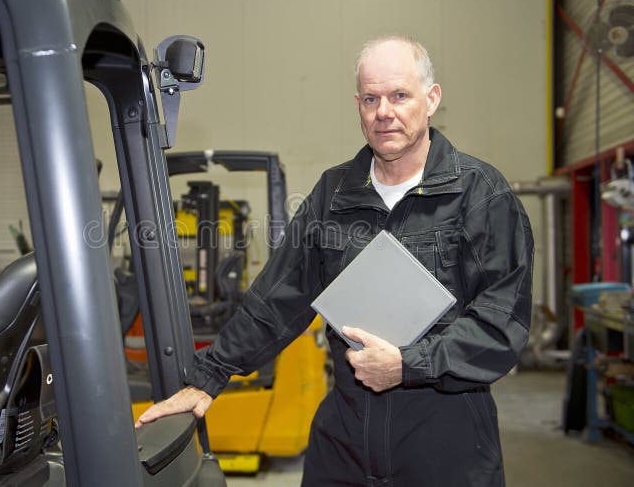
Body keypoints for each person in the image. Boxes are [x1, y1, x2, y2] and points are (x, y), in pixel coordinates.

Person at [136, 35, 534, 487]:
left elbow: (503, 322)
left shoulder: (481, 194)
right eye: (371, 98)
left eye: (400, 95)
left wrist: (410, 364)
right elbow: (277, 298)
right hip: (344, 445)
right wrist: (208, 377)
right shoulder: (334, 193)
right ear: (359, 105)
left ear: (432, 99)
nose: (384, 111)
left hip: (446, 446)